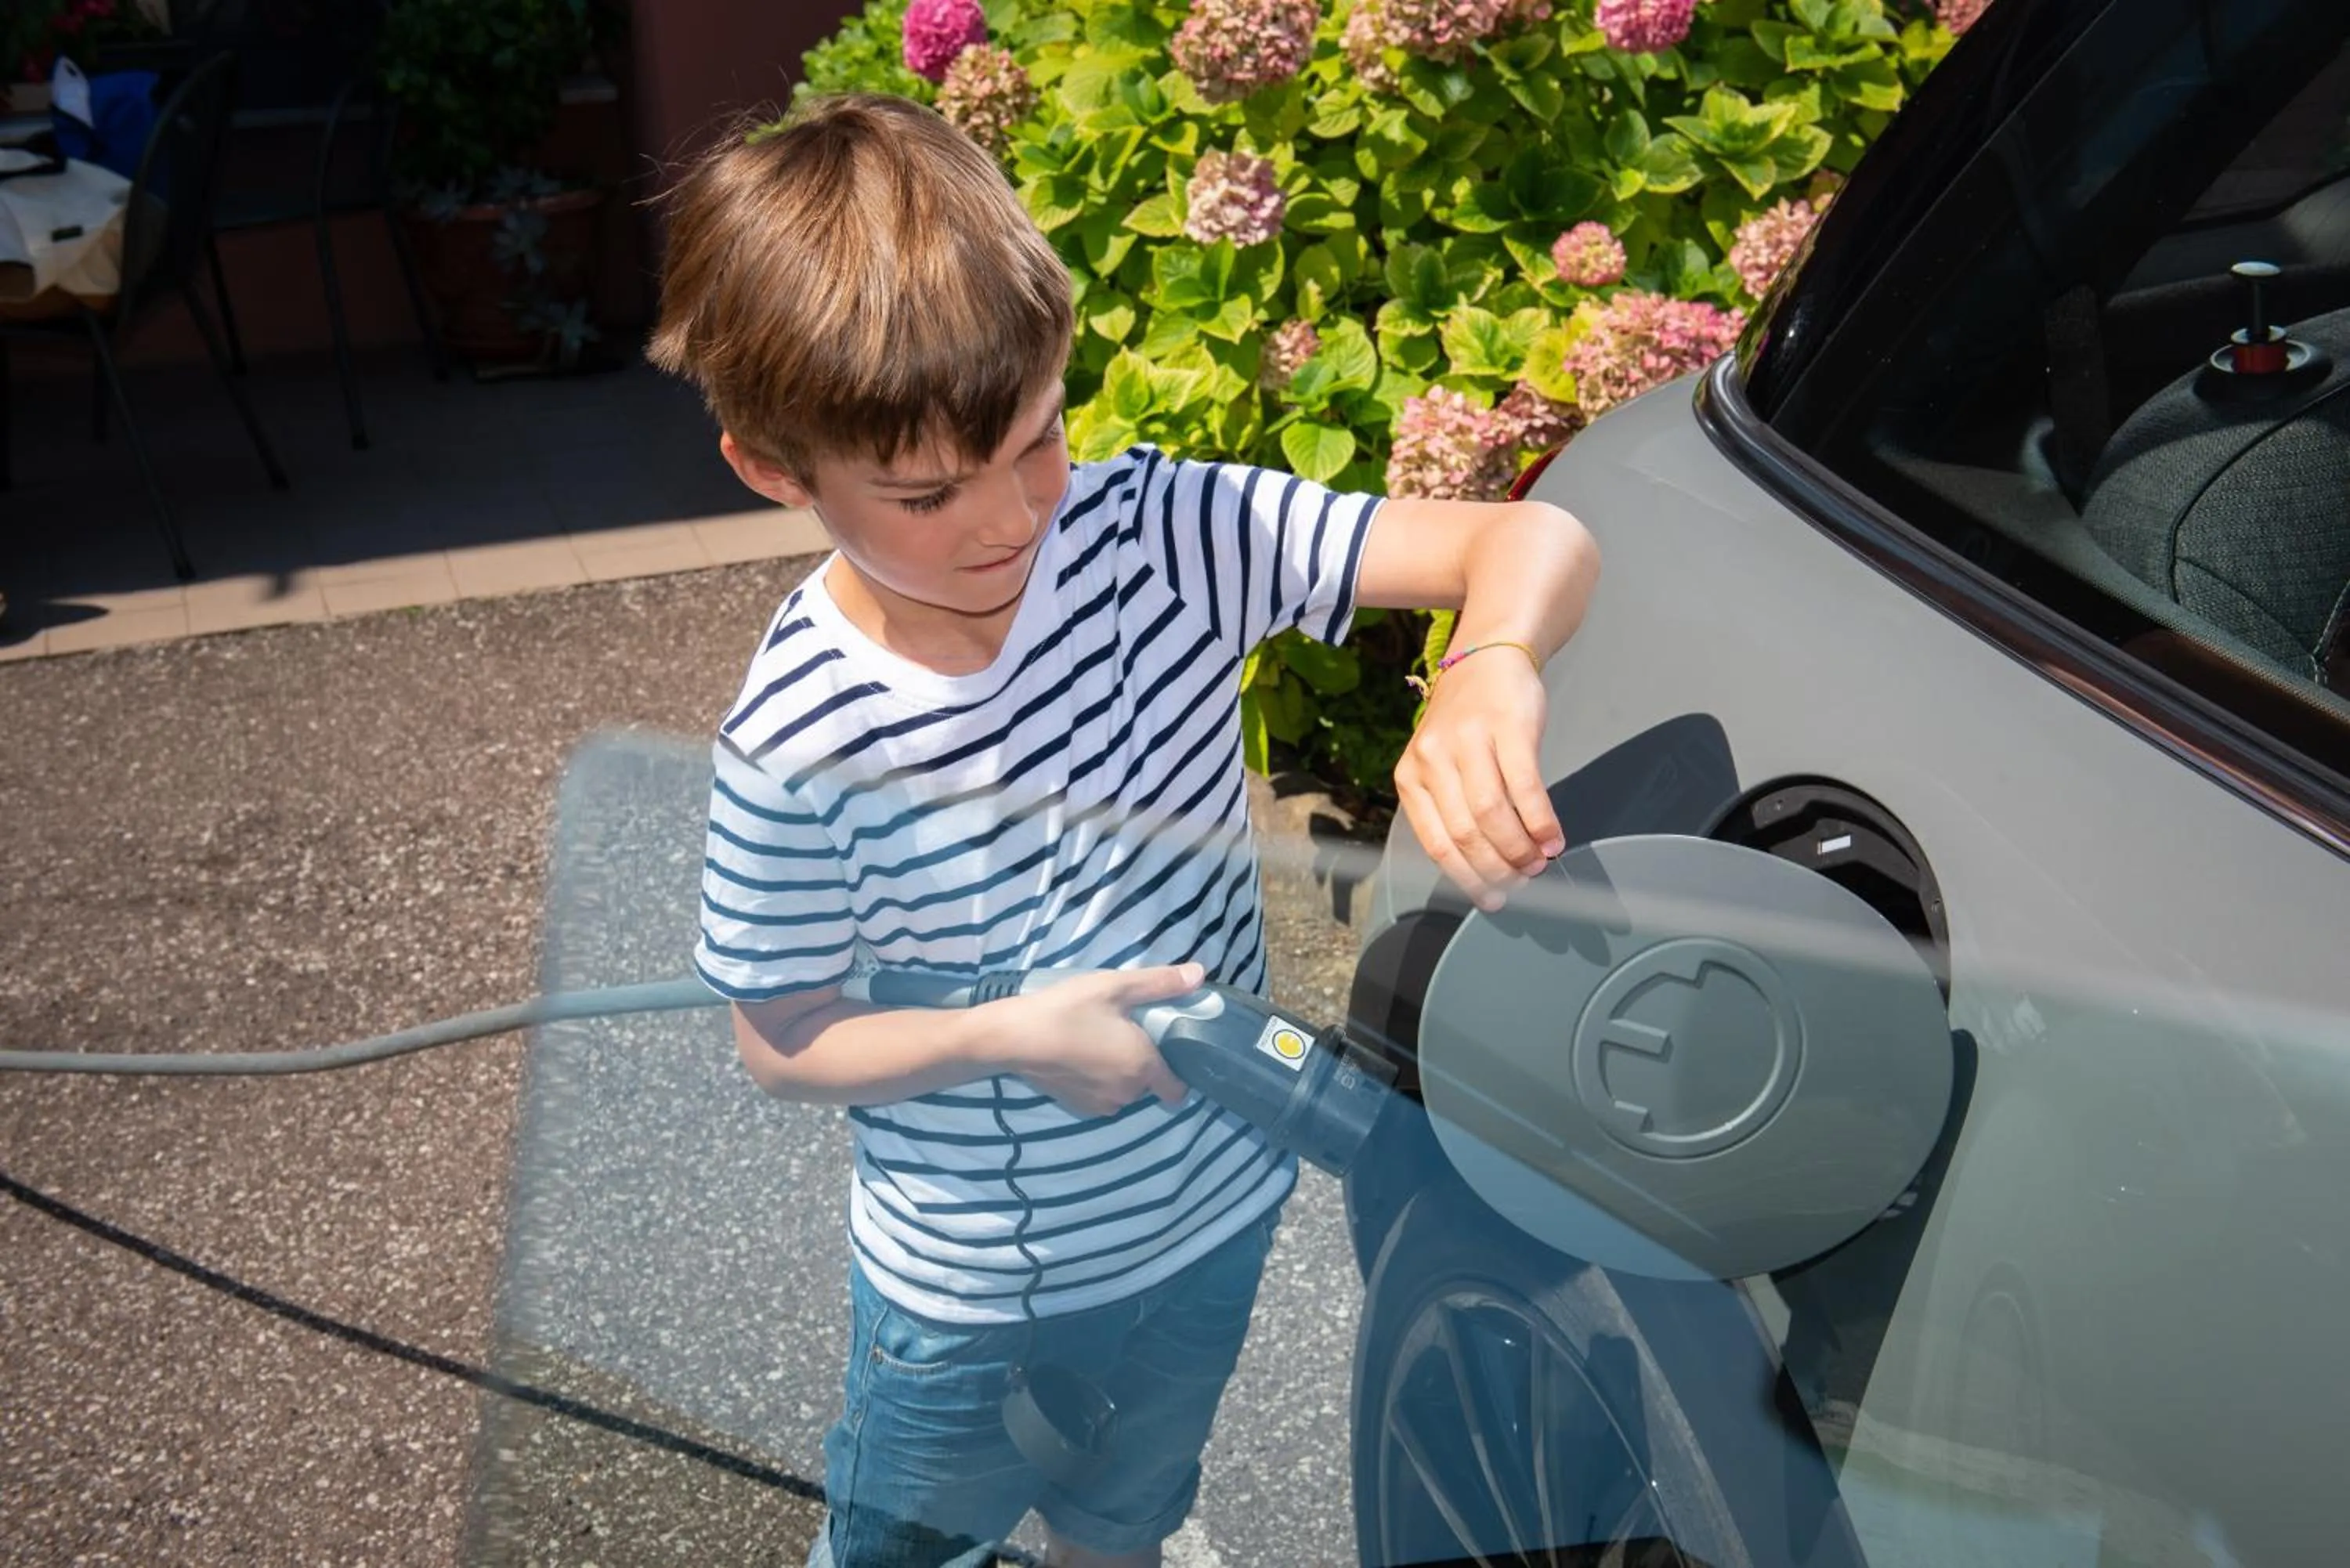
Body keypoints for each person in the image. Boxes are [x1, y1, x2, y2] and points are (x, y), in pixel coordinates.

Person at [650, 93, 1600, 1568]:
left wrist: (1487, 668)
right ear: (776, 470)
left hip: (1213, 1212)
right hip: (965, 1296)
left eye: (1039, 438)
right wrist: (1018, 1035)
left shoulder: (1156, 536)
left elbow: (1527, 538)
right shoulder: (801, 738)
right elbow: (781, 1040)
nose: (1013, 517)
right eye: (924, 491)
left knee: (1128, 1517)